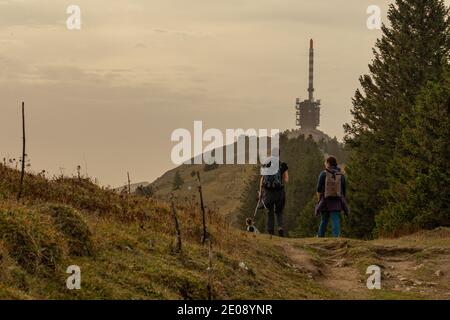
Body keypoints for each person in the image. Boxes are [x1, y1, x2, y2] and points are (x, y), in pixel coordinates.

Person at [258, 148, 289, 237]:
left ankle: (270, 232)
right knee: (279, 211)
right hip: (279, 192)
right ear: (279, 154)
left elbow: (262, 179)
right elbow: (286, 180)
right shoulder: (283, 164)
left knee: (269, 211)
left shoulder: (265, 164)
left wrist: (261, 192)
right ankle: (280, 227)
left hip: (268, 192)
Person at [316, 156, 346, 237]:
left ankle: (320, 236)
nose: (324, 164)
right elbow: (343, 190)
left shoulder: (323, 173)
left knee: (324, 220)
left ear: (328, 163)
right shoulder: (341, 175)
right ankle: (336, 237)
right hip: (336, 200)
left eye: (325, 162)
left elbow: (318, 189)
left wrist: (319, 200)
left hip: (325, 200)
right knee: (335, 220)